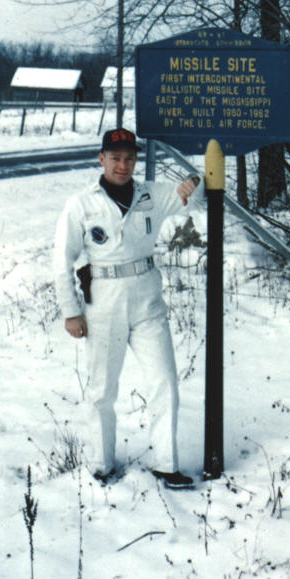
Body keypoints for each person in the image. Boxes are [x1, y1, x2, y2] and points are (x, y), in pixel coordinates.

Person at [53, 127, 204, 489]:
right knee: (103, 388)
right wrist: (70, 311)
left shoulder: (151, 193)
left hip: (147, 297)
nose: (124, 165)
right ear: (101, 159)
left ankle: (167, 464)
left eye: (130, 157)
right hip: (105, 298)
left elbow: (193, 201)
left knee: (164, 380)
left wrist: (193, 182)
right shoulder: (82, 204)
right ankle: (101, 463)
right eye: (116, 158)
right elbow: (62, 260)